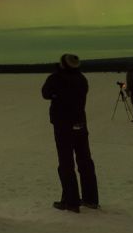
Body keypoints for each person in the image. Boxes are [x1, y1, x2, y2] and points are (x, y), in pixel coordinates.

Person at [41, 53, 99, 213]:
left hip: (63, 124)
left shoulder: (57, 78)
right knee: (85, 160)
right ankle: (90, 198)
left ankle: (71, 201)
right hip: (80, 123)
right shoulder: (82, 79)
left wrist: (56, 92)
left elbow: (45, 93)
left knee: (66, 162)